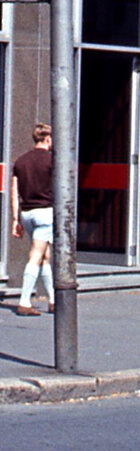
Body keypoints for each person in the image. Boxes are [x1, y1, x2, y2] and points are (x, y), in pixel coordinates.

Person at [9, 123, 55, 317]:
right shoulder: (52, 161)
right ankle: (24, 301)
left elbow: (14, 191)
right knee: (36, 256)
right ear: (47, 139)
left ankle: (53, 300)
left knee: (45, 256)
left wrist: (15, 219)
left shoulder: (21, 161)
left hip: (27, 213)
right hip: (45, 212)